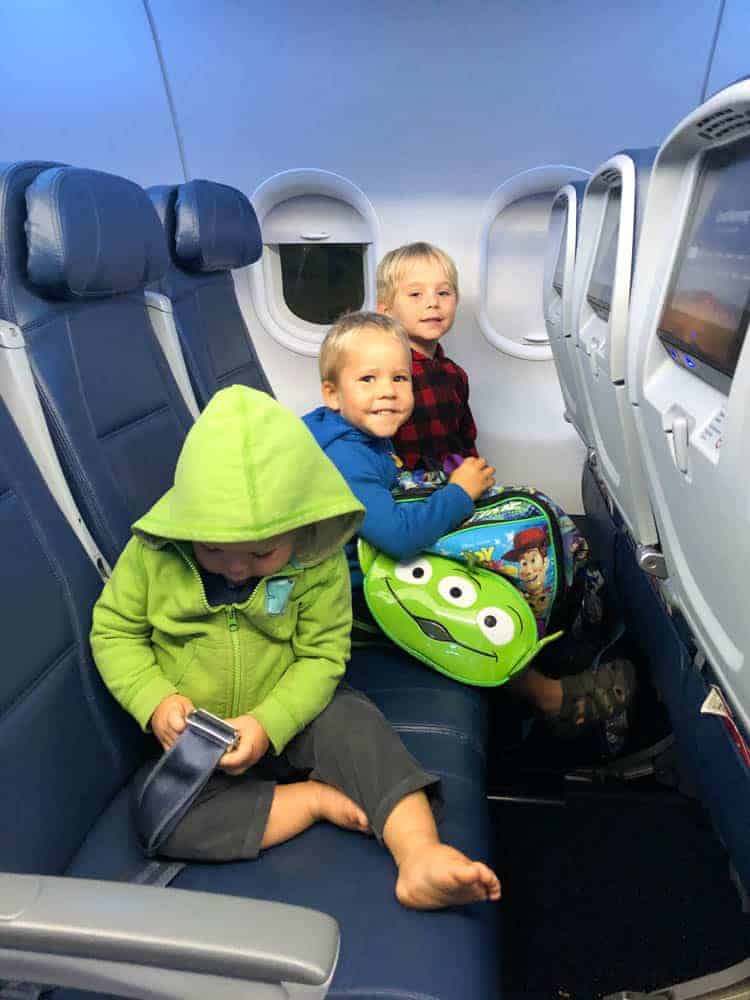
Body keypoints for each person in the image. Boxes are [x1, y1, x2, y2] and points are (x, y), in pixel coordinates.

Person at [91, 385, 500, 909]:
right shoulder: (153, 553)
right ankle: (310, 802)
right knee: (161, 816)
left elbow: (322, 656)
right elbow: (115, 631)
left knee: (357, 728)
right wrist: (155, 702)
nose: (237, 568)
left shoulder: (315, 556)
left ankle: (420, 854)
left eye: (262, 553)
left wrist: (268, 724)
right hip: (199, 736)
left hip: (296, 712)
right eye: (213, 548)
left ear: (302, 527)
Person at [304, 314, 635, 737]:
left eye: (399, 379)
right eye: (367, 379)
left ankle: (551, 646)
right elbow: (399, 538)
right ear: (331, 393)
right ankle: (544, 696)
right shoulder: (346, 457)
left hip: (363, 569)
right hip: (346, 600)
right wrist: (459, 493)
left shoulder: (354, 434)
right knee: (461, 603)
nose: (387, 391)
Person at [376, 241, 477, 472]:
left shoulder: (455, 374)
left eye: (443, 293)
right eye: (415, 294)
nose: (433, 303)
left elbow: (466, 441)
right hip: (404, 488)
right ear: (386, 312)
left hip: (450, 485)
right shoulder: (384, 372)